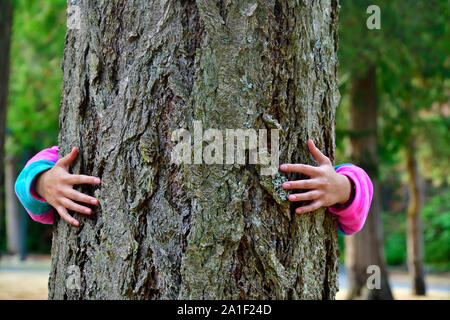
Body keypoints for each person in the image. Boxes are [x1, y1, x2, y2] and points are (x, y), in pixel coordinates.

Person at [15, 140, 372, 235]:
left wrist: (342, 187)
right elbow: (28, 187)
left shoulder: (317, 174)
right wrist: (45, 182)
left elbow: (354, 211)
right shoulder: (77, 154)